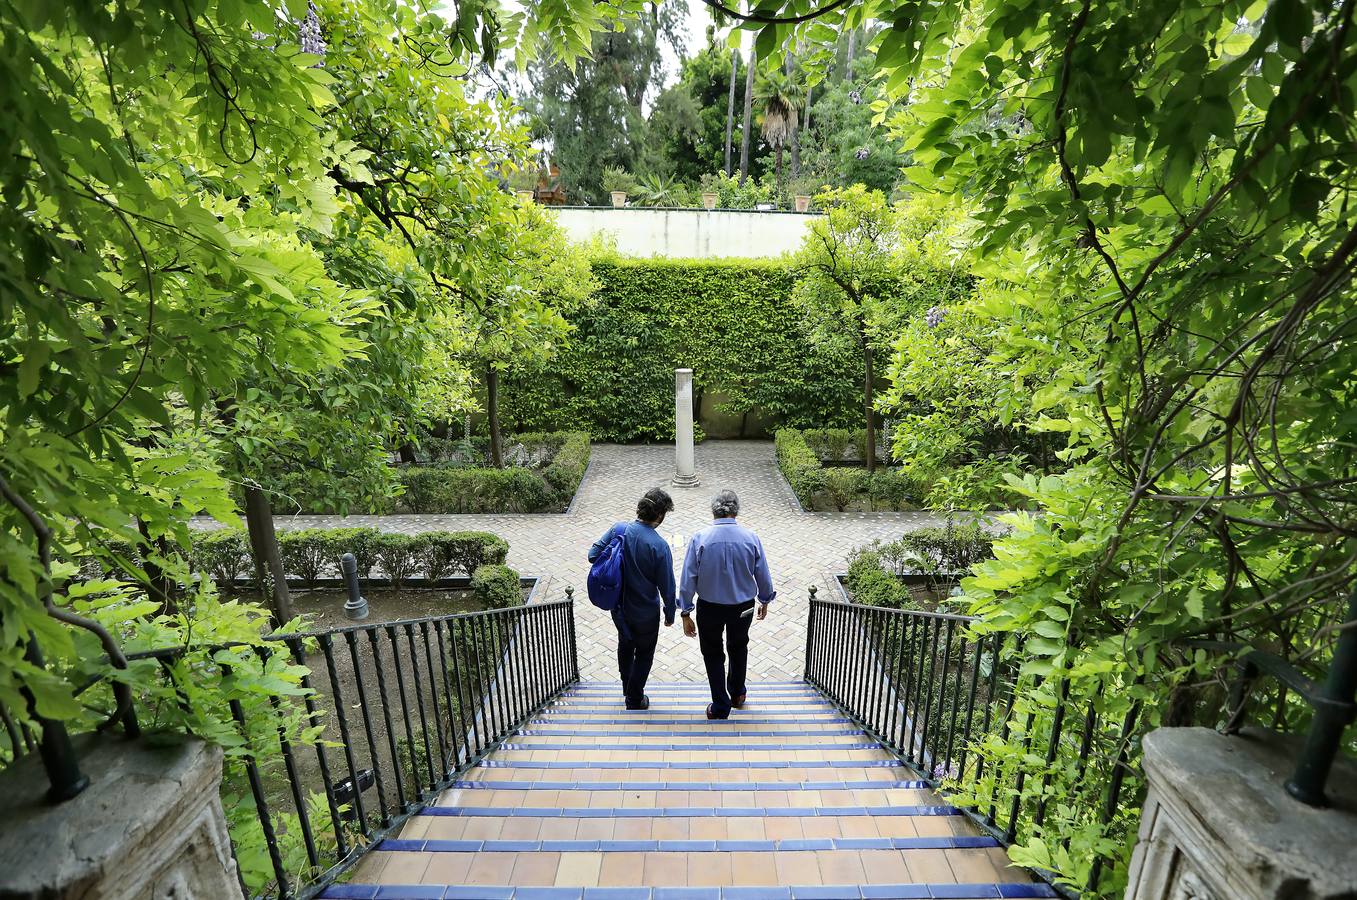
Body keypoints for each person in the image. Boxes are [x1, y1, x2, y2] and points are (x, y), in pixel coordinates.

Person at [677, 489, 776, 719]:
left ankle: (720, 705)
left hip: (709, 607)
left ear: (713, 511)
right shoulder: (751, 538)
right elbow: (762, 573)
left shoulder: (700, 538)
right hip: (743, 606)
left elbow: (688, 577)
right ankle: (738, 693)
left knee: (712, 653)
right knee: (739, 646)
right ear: (736, 510)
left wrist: (685, 612)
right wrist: (765, 599)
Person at [587, 487, 677, 710]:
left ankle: (627, 687)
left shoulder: (619, 529)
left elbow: (592, 555)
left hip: (619, 608)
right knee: (644, 653)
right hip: (646, 613)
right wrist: (670, 613)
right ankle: (635, 698)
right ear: (660, 515)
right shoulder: (659, 546)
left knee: (625, 645)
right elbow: (667, 586)